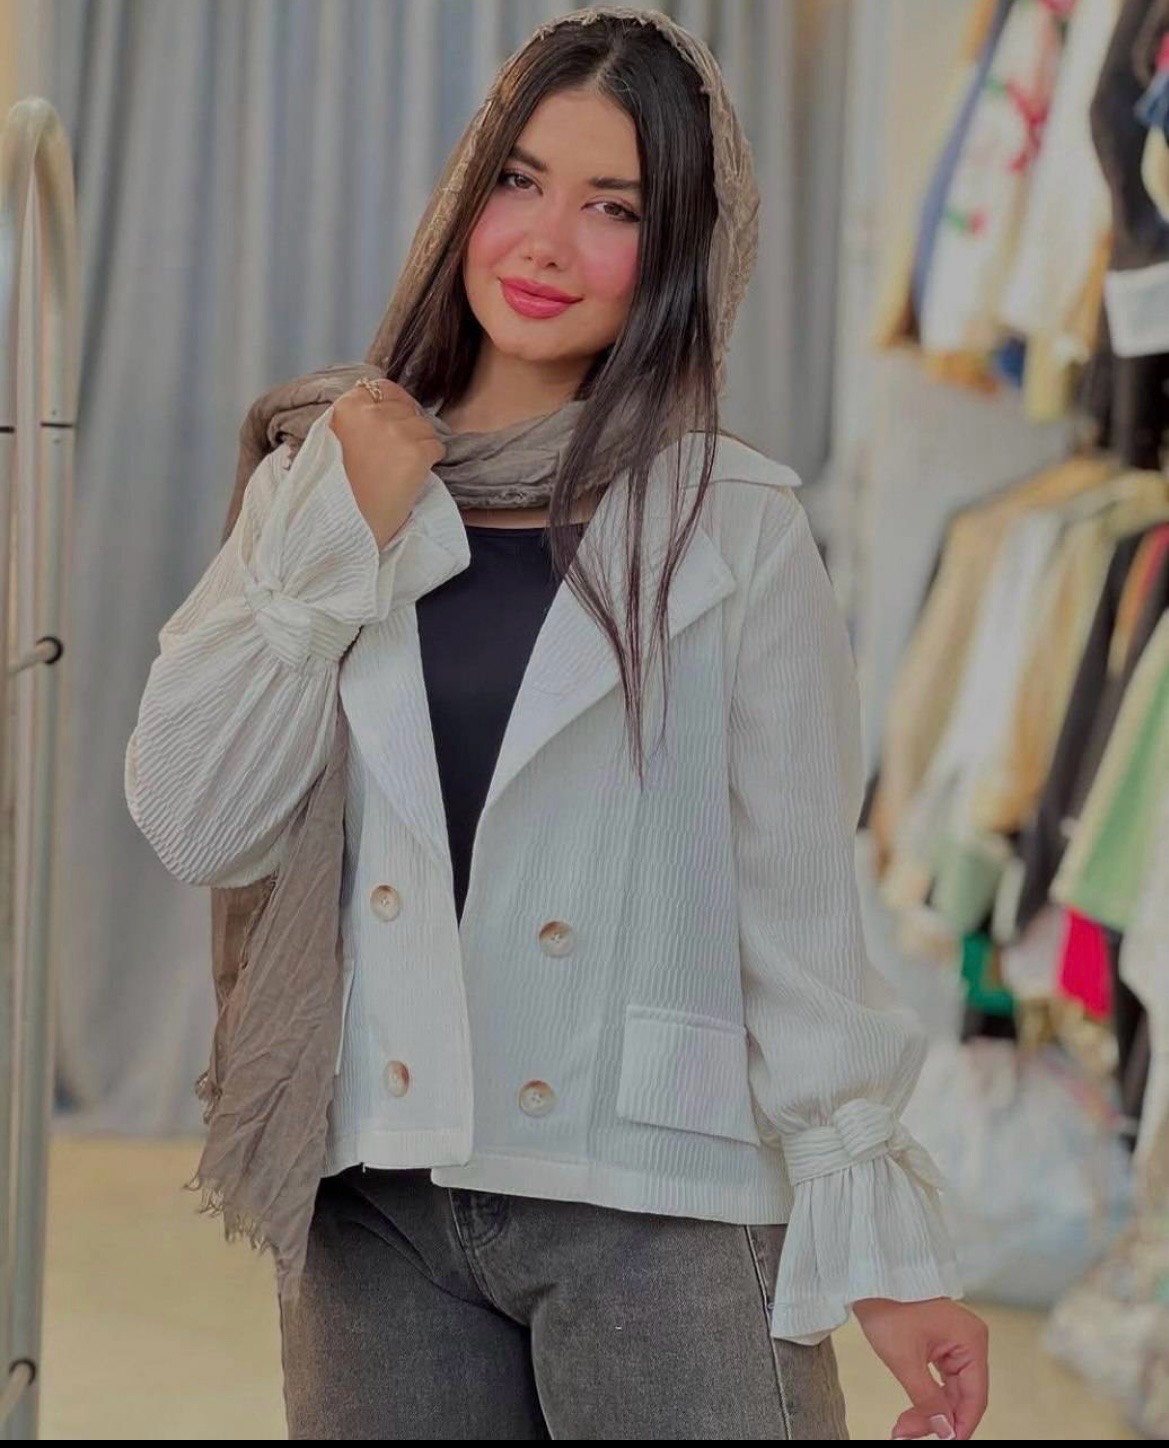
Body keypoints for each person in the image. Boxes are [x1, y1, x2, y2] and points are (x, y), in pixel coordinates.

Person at [125, 6, 989, 1440]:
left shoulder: (735, 523)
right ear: (464, 199)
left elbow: (793, 910)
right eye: (519, 183)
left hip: (658, 1194)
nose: (544, 243)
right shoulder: (324, 483)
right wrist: (334, 537)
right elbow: (196, 817)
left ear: (677, 250)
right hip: (380, 1188)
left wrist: (879, 1252)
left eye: (613, 208)